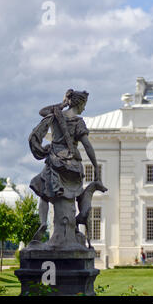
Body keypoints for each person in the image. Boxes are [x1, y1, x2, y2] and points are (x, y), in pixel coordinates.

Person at [29, 89, 101, 242]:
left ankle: (43, 223)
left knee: (43, 193)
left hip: (54, 159)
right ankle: (71, 228)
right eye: (84, 104)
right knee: (76, 196)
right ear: (79, 103)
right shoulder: (78, 121)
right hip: (71, 163)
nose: (84, 108)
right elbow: (87, 146)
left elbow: (42, 111)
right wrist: (95, 166)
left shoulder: (56, 115)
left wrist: (61, 105)